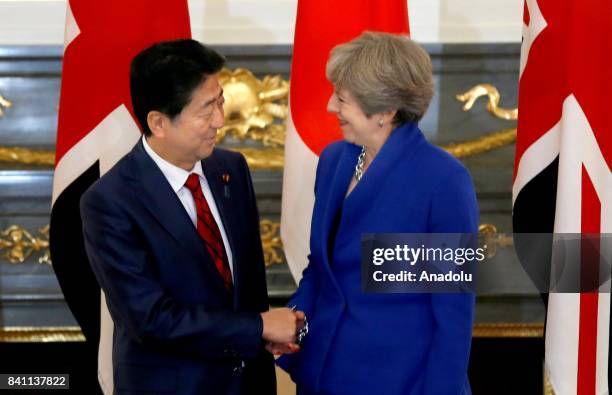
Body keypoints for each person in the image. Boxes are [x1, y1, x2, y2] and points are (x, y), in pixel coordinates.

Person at [80, 39, 303, 395]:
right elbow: (151, 320)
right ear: (159, 122)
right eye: (205, 110)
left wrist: (261, 334)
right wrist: (258, 327)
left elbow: (248, 288)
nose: (220, 119)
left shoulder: (231, 169)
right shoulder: (110, 201)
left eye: (220, 100)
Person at [277, 32, 479, 394]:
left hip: (398, 381)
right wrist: (294, 324)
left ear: (385, 111)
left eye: (342, 99)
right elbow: (321, 270)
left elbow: (452, 314)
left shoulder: (442, 181)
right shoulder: (334, 161)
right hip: (322, 374)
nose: (329, 107)